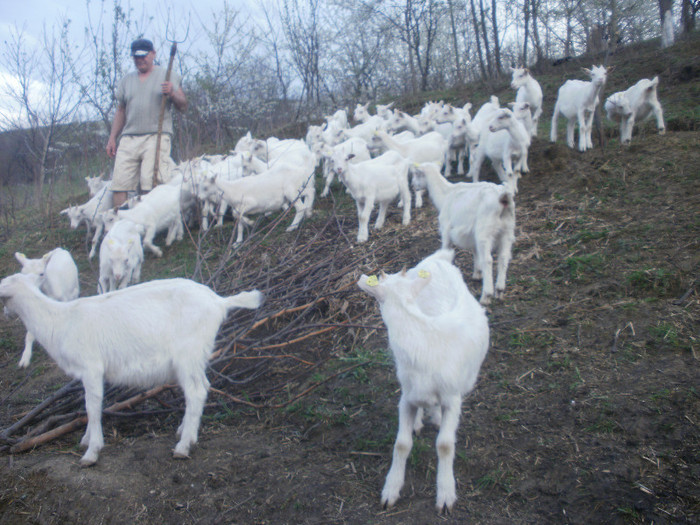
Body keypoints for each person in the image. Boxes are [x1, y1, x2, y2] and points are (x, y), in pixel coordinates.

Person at [106, 38, 188, 209]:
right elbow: (121, 110)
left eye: (143, 56)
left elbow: (183, 105)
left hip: (156, 136)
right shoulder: (126, 81)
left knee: (150, 183)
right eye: (136, 57)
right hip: (129, 138)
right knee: (119, 184)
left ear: (153, 54)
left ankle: (149, 224)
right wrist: (113, 137)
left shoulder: (168, 75)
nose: (140, 60)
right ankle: (120, 226)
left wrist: (172, 93)